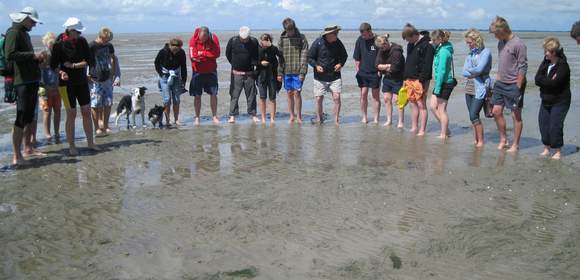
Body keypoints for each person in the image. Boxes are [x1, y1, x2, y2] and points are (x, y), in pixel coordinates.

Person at [50, 17, 99, 155]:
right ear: (69, 30)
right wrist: (61, 72)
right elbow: (53, 65)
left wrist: (73, 65)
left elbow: (90, 61)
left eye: (79, 31)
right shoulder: (58, 44)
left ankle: (90, 143)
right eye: (77, 31)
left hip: (82, 82)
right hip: (65, 85)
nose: (79, 34)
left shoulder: (82, 42)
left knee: (86, 111)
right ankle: (72, 146)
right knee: (71, 114)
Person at [5, 7, 46, 165]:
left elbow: (24, 57)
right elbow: (10, 55)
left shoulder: (24, 34)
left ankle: (27, 148)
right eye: (33, 22)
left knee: (29, 117)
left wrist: (37, 59)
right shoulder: (13, 32)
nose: (34, 25)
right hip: (21, 81)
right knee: (21, 118)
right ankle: (17, 156)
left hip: (30, 80)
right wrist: (33, 55)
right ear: (24, 18)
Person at [489, 16, 528, 152]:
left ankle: (515, 144)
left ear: (503, 30)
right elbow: (502, 63)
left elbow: (523, 67)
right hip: (500, 83)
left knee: (515, 115)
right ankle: (503, 139)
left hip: (514, 84)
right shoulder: (501, 42)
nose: (495, 37)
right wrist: (496, 82)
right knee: (496, 111)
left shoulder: (518, 44)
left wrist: (518, 86)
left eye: (495, 34)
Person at [535, 37, 570, 160]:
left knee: (555, 125)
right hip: (546, 100)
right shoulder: (545, 63)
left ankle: (558, 150)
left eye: (547, 51)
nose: (545, 53)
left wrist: (546, 81)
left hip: (560, 101)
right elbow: (537, 79)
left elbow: (555, 84)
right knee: (543, 124)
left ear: (553, 52)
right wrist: (548, 80)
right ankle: (546, 147)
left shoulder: (563, 66)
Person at [308, 25, 348, 125]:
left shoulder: (338, 42)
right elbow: (309, 57)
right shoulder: (318, 42)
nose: (336, 35)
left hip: (335, 76)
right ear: (328, 34)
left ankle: (336, 120)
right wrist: (316, 66)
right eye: (335, 33)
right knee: (318, 98)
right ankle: (319, 119)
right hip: (319, 77)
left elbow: (344, 55)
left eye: (337, 33)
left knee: (336, 97)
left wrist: (340, 64)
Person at [402, 23, 435, 136]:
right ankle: (414, 127)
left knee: (421, 104)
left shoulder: (427, 45)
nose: (407, 42)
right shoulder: (410, 45)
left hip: (421, 79)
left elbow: (427, 65)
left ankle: (422, 130)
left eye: (407, 39)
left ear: (413, 35)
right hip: (409, 78)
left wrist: (421, 80)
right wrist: (405, 78)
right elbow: (408, 61)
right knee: (412, 103)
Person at [462, 28, 492, 148]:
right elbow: (464, 72)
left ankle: (481, 141)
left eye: (469, 42)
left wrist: (473, 71)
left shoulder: (486, 52)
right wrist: (473, 72)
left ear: (476, 40)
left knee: (473, 115)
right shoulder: (470, 54)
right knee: (472, 115)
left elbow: (480, 69)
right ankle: (476, 139)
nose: (468, 44)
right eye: (467, 42)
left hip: (481, 87)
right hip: (469, 87)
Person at [89, 27, 120, 135]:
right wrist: (87, 75)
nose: (107, 42)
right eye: (106, 39)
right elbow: (85, 61)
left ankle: (106, 125)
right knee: (95, 104)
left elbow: (113, 58)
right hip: (95, 79)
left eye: (108, 40)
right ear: (101, 36)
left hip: (107, 78)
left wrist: (115, 74)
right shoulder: (91, 46)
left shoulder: (109, 46)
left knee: (108, 103)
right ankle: (97, 127)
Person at [277, 18, 308, 124]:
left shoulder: (302, 38)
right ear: (285, 29)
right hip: (286, 71)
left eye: (292, 30)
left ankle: (299, 116)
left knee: (297, 93)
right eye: (288, 30)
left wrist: (302, 72)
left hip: (298, 71)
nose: (290, 32)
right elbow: (279, 57)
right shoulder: (282, 39)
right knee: (289, 93)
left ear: (294, 28)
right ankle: (291, 116)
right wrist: (279, 73)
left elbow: (304, 55)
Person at [226, 26, 260, 124]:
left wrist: (254, 66)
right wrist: (235, 64)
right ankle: (232, 115)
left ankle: (253, 115)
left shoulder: (254, 41)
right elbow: (228, 54)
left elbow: (257, 55)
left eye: (246, 38)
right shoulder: (233, 40)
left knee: (251, 95)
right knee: (234, 95)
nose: (244, 40)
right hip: (236, 73)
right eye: (242, 38)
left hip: (249, 73)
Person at [188, 26, 220, 125]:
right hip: (197, 72)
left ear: (207, 35)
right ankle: (197, 117)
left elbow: (217, 54)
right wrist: (207, 55)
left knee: (213, 94)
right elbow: (193, 56)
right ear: (199, 34)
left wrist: (203, 54)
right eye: (201, 38)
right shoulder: (193, 39)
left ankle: (214, 116)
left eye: (205, 38)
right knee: (197, 95)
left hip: (211, 71)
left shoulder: (214, 38)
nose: (202, 40)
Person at [154, 37, 187, 127]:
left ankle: (176, 119)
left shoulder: (181, 53)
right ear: (170, 46)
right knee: (167, 99)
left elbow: (184, 67)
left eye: (178, 50)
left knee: (177, 99)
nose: (176, 52)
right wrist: (161, 74)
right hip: (164, 76)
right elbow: (156, 63)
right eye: (174, 50)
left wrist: (184, 81)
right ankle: (167, 120)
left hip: (176, 76)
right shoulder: (163, 52)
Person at [430, 29, 455, 139]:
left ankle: (443, 134)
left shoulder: (444, 51)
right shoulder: (440, 48)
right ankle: (446, 129)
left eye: (434, 40)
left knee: (441, 109)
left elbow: (442, 71)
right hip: (439, 83)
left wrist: (438, 88)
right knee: (432, 106)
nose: (432, 41)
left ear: (440, 39)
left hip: (445, 83)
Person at [375, 34, 405, 128]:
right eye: (380, 48)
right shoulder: (381, 49)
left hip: (398, 78)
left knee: (397, 100)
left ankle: (400, 122)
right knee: (387, 99)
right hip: (387, 78)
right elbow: (376, 64)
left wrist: (383, 67)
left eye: (383, 47)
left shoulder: (396, 51)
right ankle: (389, 120)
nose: (381, 50)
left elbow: (395, 68)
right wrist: (387, 66)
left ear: (386, 43)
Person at [354, 22, 380, 124]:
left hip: (375, 72)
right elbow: (357, 58)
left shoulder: (377, 40)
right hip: (363, 72)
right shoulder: (360, 40)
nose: (363, 37)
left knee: (375, 96)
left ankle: (376, 119)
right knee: (363, 94)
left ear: (370, 31)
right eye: (362, 35)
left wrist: (380, 70)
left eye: (365, 34)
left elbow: (383, 56)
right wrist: (358, 70)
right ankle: (364, 117)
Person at [39, 32, 62, 142]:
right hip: (45, 88)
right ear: (46, 43)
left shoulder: (58, 55)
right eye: (50, 44)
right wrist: (44, 85)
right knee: (47, 111)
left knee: (57, 110)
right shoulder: (43, 55)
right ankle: (47, 133)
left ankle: (57, 132)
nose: (52, 46)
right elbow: (39, 72)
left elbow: (60, 70)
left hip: (57, 87)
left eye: (54, 44)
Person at [257, 33, 283, 123]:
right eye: (263, 40)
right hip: (261, 76)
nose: (264, 42)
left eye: (266, 40)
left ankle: (272, 118)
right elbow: (252, 61)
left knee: (272, 97)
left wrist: (271, 46)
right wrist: (260, 63)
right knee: (262, 97)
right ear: (260, 40)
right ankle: (263, 118)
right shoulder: (257, 49)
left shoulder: (273, 49)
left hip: (272, 75)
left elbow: (280, 54)